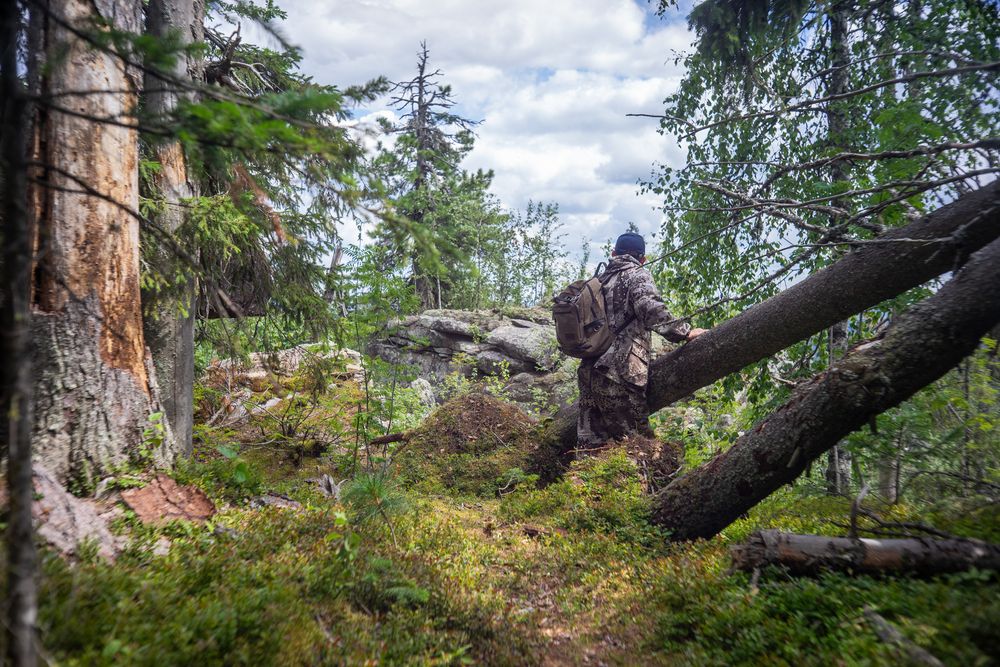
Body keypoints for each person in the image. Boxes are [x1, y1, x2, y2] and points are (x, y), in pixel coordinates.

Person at [577, 232, 707, 448]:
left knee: (591, 449)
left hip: (588, 374)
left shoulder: (597, 282)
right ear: (643, 259)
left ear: (613, 253)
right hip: (618, 373)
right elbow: (650, 309)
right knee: (637, 447)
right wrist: (684, 332)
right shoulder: (637, 274)